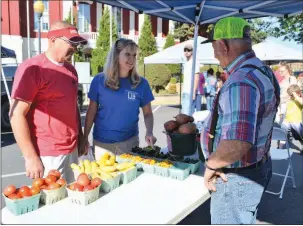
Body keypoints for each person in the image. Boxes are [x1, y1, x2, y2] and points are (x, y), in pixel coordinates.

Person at [200, 17, 279, 224]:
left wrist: (211, 165)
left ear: (223, 45)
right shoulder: (263, 71)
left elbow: (238, 142)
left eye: (215, 48)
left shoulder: (241, 81)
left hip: (236, 177)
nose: (215, 55)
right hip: (254, 169)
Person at [10, 21, 87, 182]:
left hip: (72, 149)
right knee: (54, 203)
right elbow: (16, 114)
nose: (75, 47)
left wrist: (81, 136)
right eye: (71, 42)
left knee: (74, 199)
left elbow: (73, 107)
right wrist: (30, 157)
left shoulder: (71, 71)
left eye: (77, 43)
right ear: (52, 39)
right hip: (48, 154)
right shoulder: (33, 68)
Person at [81, 38, 157, 160]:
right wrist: (84, 138)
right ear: (116, 55)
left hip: (130, 143)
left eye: (134, 55)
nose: (132, 59)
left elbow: (147, 113)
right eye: (127, 54)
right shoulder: (99, 81)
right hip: (102, 144)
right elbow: (91, 112)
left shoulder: (141, 83)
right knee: (103, 179)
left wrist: (149, 132)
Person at [181, 43, 200, 115]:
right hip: (185, 92)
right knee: (184, 113)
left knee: (187, 114)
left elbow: (196, 77)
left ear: (192, 51)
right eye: (185, 50)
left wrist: (194, 91)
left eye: (188, 50)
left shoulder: (194, 62)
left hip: (190, 92)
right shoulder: (186, 63)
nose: (186, 52)